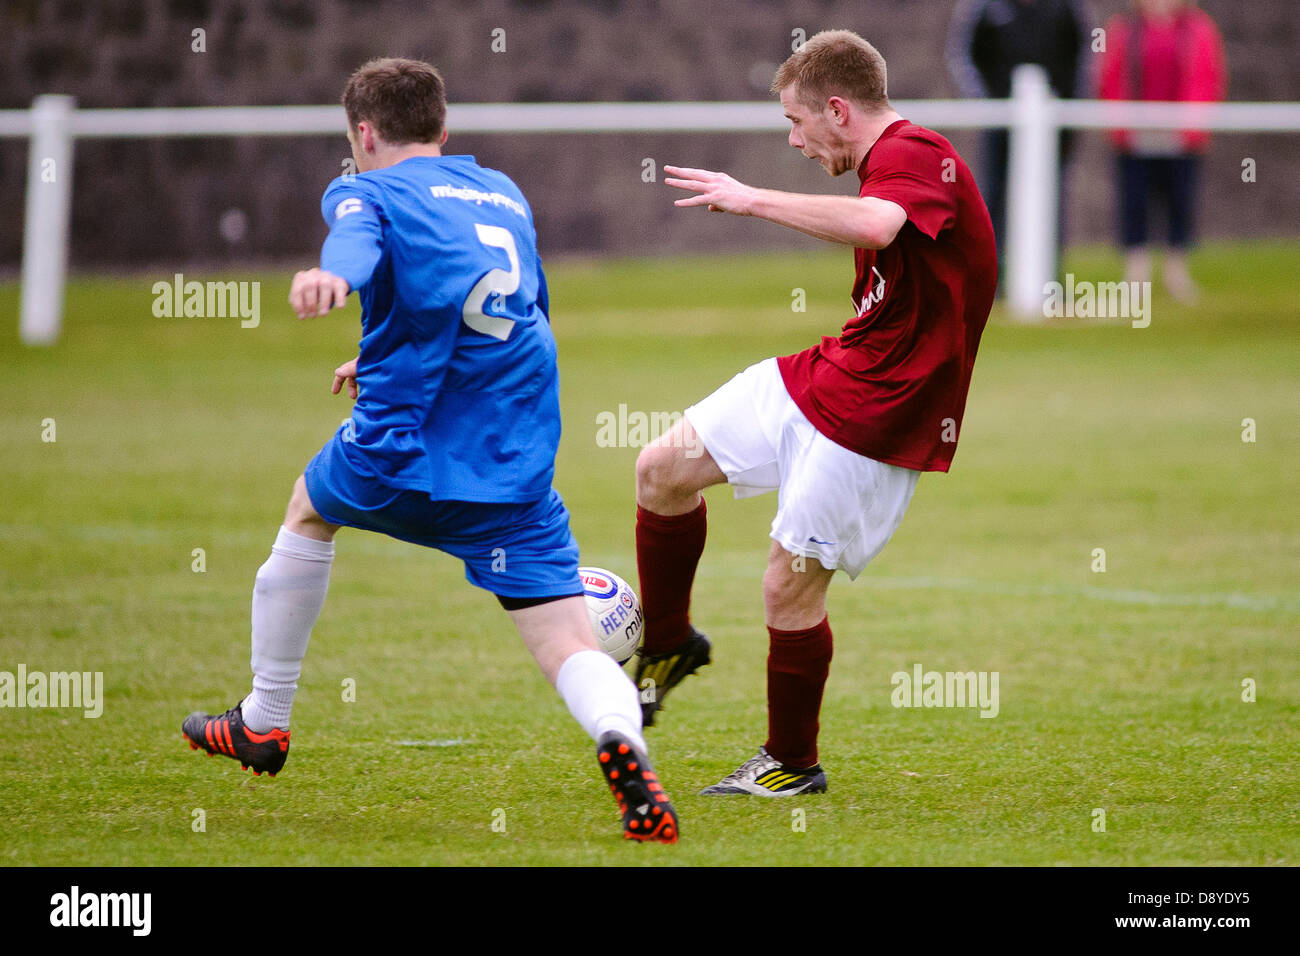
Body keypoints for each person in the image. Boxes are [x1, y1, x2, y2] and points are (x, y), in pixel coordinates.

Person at [181, 57, 678, 844]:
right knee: (566, 641)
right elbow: (519, 312)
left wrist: (330, 282)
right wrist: (372, 353)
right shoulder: (502, 193)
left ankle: (264, 721)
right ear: (444, 132)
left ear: (363, 133)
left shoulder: (363, 189)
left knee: (309, 511)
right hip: (513, 466)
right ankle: (623, 743)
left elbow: (356, 245)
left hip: (399, 454)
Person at [633, 30, 997, 796]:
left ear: (838, 109)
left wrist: (748, 197)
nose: (795, 141)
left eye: (798, 123)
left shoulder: (914, 151)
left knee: (787, 583)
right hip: (834, 369)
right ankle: (667, 643)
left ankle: (792, 763)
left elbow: (876, 225)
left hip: (885, 409)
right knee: (662, 468)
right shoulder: (887, 161)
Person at [946, 0, 1094, 289]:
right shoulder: (986, 7)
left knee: (1051, 198)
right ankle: (993, 279)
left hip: (1054, 125)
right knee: (994, 198)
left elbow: (1083, 58)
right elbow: (963, 55)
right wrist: (990, 107)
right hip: (999, 124)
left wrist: (1067, 109)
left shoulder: (1066, 8)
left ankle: (1050, 279)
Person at [1099, 0, 1227, 302]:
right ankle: (1136, 275)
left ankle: (1176, 272)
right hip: (1136, 135)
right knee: (1135, 201)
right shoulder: (1125, 30)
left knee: (1179, 202)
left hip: (1181, 136)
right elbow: (1110, 77)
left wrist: (1194, 125)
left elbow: (1209, 77)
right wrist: (1119, 125)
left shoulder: (1198, 29)